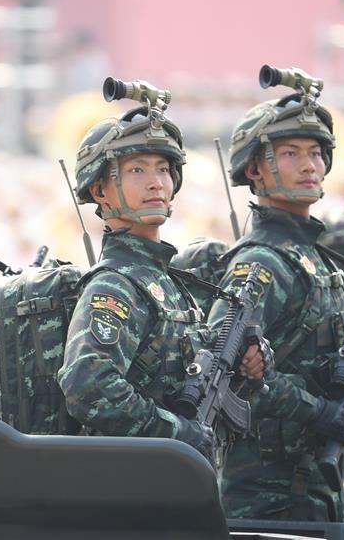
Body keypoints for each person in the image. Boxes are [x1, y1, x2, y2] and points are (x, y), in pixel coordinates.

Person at [208, 74, 344, 521]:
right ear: (255, 169)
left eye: (316, 153)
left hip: (315, 488)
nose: (309, 165)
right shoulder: (261, 264)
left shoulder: (315, 259)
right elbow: (226, 375)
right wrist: (317, 409)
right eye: (290, 153)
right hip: (267, 495)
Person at [57, 82, 263, 468]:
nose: (156, 182)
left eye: (164, 170)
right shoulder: (115, 286)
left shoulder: (171, 283)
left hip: (173, 484)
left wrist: (247, 363)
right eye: (137, 170)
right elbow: (88, 386)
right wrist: (175, 432)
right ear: (100, 189)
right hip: (133, 487)